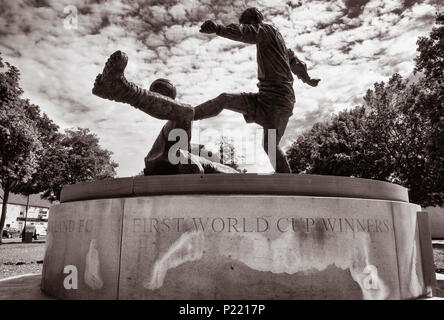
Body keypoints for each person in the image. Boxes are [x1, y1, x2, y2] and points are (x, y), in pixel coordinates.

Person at [196, 7, 320, 173]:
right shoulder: (281, 43)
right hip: (277, 99)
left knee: (225, 99)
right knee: (269, 145)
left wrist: (218, 28)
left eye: (248, 24)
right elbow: (297, 63)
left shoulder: (266, 30)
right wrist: (307, 79)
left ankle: (189, 114)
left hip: (276, 97)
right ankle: (288, 181)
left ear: (253, 21)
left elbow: (246, 32)